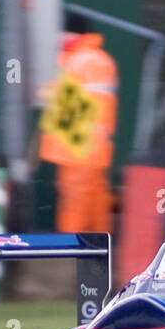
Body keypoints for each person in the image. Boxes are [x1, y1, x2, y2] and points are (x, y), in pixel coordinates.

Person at [37, 14, 119, 234]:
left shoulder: (83, 60)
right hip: (84, 146)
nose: (58, 38)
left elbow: (73, 100)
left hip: (80, 146)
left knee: (77, 198)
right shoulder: (86, 59)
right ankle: (97, 246)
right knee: (92, 198)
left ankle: (72, 247)